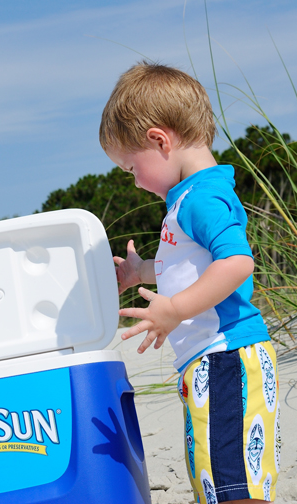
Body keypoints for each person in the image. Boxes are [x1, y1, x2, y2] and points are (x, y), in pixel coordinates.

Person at [99, 61, 280, 504]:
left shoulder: (201, 198)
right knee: (216, 478)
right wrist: (140, 273)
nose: (135, 181)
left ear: (159, 141)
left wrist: (175, 309)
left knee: (234, 481)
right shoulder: (185, 202)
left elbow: (237, 263)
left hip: (227, 358)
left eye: (130, 167)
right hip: (210, 362)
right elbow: (186, 268)